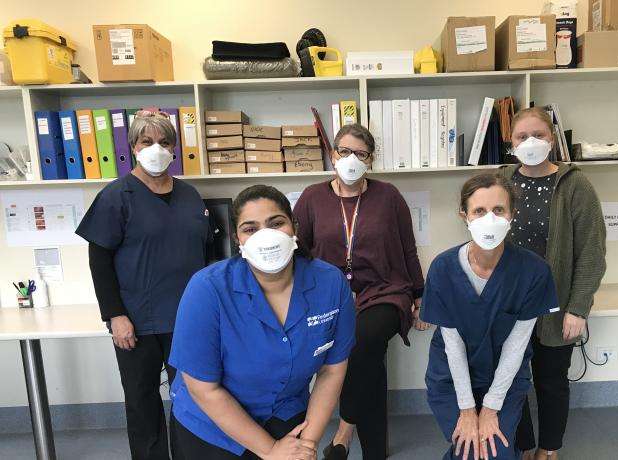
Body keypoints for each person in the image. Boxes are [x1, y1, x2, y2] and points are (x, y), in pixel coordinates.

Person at [168, 185, 356, 459]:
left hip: (285, 414)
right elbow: (203, 388)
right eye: (250, 229)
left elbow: (332, 371)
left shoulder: (330, 284)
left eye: (275, 223)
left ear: (294, 227)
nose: (265, 236)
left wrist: (307, 444)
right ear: (238, 240)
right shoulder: (207, 289)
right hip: (211, 425)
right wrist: (270, 451)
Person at [76, 110, 213, 460]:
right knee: (142, 401)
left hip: (188, 319)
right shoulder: (116, 196)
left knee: (196, 399)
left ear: (175, 148)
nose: (157, 149)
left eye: (165, 142)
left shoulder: (190, 196)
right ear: (133, 146)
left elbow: (205, 255)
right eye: (147, 141)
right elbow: (99, 261)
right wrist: (115, 315)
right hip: (136, 321)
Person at [293, 124, 428, 459]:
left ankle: (344, 429)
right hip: (330, 295)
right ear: (332, 152)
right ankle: (374, 451)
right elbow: (298, 251)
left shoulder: (388, 196)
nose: (351, 159)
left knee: (363, 341)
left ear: (371, 159)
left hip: (385, 291)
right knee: (369, 362)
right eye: (344, 151)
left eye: (360, 153)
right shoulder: (312, 197)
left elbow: (408, 248)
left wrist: (420, 295)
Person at [422, 172, 559, 460]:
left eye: (498, 210)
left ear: (512, 214)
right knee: (472, 449)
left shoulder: (533, 271)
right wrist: (468, 409)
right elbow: (453, 346)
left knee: (491, 451)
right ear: (465, 215)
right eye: (479, 211)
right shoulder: (443, 268)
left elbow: (516, 346)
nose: (490, 219)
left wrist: (491, 408)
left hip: (504, 380)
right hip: (452, 376)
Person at [499, 108, 607, 460]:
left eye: (539, 135)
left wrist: (578, 308)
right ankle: (525, 445)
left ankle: (549, 449)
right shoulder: (501, 181)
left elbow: (592, 253)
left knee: (551, 381)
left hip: (556, 303)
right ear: (510, 143)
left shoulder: (575, 185)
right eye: (521, 137)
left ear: (553, 138)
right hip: (509, 303)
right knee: (510, 380)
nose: (530, 143)